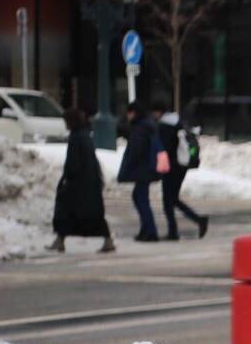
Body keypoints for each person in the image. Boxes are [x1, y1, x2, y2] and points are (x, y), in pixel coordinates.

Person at [49, 107, 115, 254]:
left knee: (66, 211)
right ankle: (61, 239)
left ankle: (60, 240)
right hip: (88, 183)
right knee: (91, 215)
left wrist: (67, 178)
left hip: (78, 184)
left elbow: (73, 162)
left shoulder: (76, 137)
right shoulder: (84, 135)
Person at [155, 106, 209, 241]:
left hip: (172, 167)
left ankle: (174, 231)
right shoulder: (178, 122)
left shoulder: (163, 126)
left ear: (157, 111)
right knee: (172, 199)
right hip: (181, 167)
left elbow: (164, 148)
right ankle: (196, 221)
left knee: (169, 200)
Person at [116, 101, 162, 242]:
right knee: (139, 197)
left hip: (142, 169)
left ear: (133, 113)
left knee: (141, 199)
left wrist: (129, 164)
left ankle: (150, 230)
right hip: (146, 168)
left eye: (128, 113)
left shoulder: (138, 128)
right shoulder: (147, 125)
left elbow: (137, 150)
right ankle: (146, 229)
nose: (127, 116)